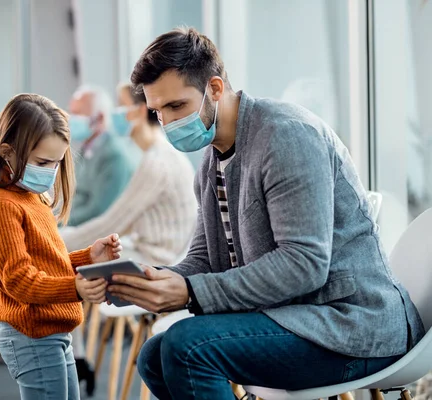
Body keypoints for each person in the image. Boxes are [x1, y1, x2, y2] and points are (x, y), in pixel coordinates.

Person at [107, 27, 425, 399]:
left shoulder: (286, 136)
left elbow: (304, 263)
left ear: (215, 88)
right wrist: (151, 279)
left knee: (186, 346)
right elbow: (204, 258)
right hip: (297, 319)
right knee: (153, 356)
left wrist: (190, 292)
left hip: (354, 327)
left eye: (177, 106)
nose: (170, 123)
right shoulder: (212, 161)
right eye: (158, 112)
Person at [0, 93, 123, 400]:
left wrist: (87, 257)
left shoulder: (31, 197)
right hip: (31, 337)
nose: (51, 172)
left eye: (56, 163)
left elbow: (44, 263)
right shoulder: (1, 205)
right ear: (6, 153)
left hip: (52, 332)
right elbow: (20, 280)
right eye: (42, 162)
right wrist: (76, 289)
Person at [62, 82, 196, 265]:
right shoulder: (159, 154)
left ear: (140, 111)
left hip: (156, 260)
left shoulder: (158, 161)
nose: (115, 113)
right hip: (151, 252)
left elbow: (114, 222)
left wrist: (59, 241)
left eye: (121, 106)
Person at [67, 85, 141, 227]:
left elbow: (99, 211)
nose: (71, 120)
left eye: (78, 114)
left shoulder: (114, 156)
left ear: (99, 118)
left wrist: (60, 224)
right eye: (72, 113)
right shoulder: (86, 150)